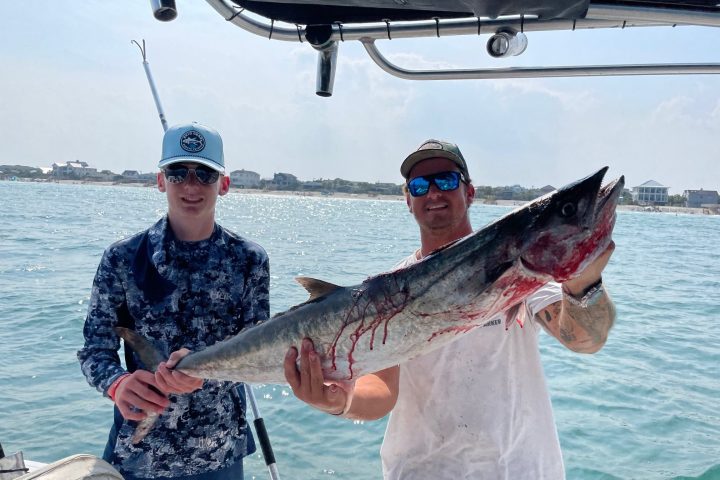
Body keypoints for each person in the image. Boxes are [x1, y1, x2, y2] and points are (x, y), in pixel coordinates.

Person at [284, 139, 616, 479]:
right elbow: (383, 390)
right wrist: (340, 402)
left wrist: (584, 284)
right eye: (419, 185)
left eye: (446, 181)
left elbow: (585, 340)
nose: (433, 193)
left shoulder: (523, 272)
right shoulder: (388, 290)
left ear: (469, 192)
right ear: (407, 200)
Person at [78, 122, 270, 480]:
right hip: (139, 452)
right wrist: (118, 384)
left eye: (205, 174)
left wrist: (203, 372)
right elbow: (94, 352)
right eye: (178, 172)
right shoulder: (121, 258)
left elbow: (256, 355)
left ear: (224, 185)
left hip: (219, 452)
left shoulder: (250, 261)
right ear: (161, 180)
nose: (191, 185)